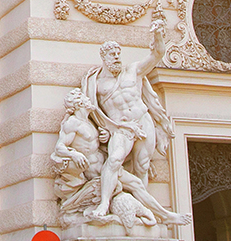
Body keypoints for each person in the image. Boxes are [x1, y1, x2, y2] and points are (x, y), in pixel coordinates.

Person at [80, 19, 186, 224]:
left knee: (143, 166)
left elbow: (157, 55)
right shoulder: (96, 83)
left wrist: (158, 36)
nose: (117, 57)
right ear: (104, 57)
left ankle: (142, 208)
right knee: (113, 161)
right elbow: (93, 111)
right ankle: (104, 204)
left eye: (118, 54)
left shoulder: (133, 71)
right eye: (112, 54)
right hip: (122, 128)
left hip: (142, 121)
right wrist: (105, 129)